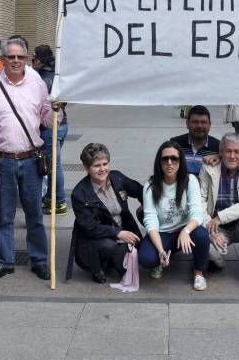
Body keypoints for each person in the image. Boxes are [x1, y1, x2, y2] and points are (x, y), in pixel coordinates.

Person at [0, 38, 60, 283]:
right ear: (2, 59)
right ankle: (5, 262)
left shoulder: (37, 84)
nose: (15, 61)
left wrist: (57, 109)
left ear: (27, 59)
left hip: (32, 159)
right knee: (4, 216)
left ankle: (40, 261)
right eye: (10, 57)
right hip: (3, 161)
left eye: (20, 57)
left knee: (34, 214)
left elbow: (46, 119)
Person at [138, 141, 210, 290]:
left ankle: (198, 272)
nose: (169, 163)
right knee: (146, 258)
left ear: (180, 161)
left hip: (185, 231)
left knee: (202, 235)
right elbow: (150, 221)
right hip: (163, 233)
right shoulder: (150, 186)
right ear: (159, 162)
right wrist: (160, 250)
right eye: (165, 159)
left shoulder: (190, 181)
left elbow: (197, 213)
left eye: (174, 158)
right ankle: (162, 258)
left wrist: (186, 231)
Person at [68, 143, 143, 283]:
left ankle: (113, 260)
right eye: (97, 166)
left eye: (105, 164)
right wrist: (117, 233)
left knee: (139, 260)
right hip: (96, 239)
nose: (102, 169)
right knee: (113, 251)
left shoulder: (117, 178)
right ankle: (98, 267)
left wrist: (150, 205)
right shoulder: (79, 194)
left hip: (122, 232)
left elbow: (139, 190)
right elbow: (91, 228)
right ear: (86, 167)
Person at [198, 133, 239, 286]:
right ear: (220, 152)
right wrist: (211, 230)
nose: (232, 156)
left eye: (237, 152)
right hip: (216, 226)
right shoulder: (208, 169)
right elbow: (199, 202)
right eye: (228, 151)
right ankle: (217, 262)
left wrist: (221, 216)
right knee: (203, 245)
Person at [33, 44, 68, 215]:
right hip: (62, 124)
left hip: (50, 126)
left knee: (54, 166)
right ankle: (51, 198)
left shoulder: (42, 79)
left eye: (33, 59)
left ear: (39, 61)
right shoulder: (58, 75)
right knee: (55, 164)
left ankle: (59, 201)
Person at [170, 105, 220, 175]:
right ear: (187, 124)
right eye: (195, 122)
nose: (199, 126)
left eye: (203, 122)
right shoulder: (175, 144)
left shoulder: (218, 147)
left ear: (210, 125)